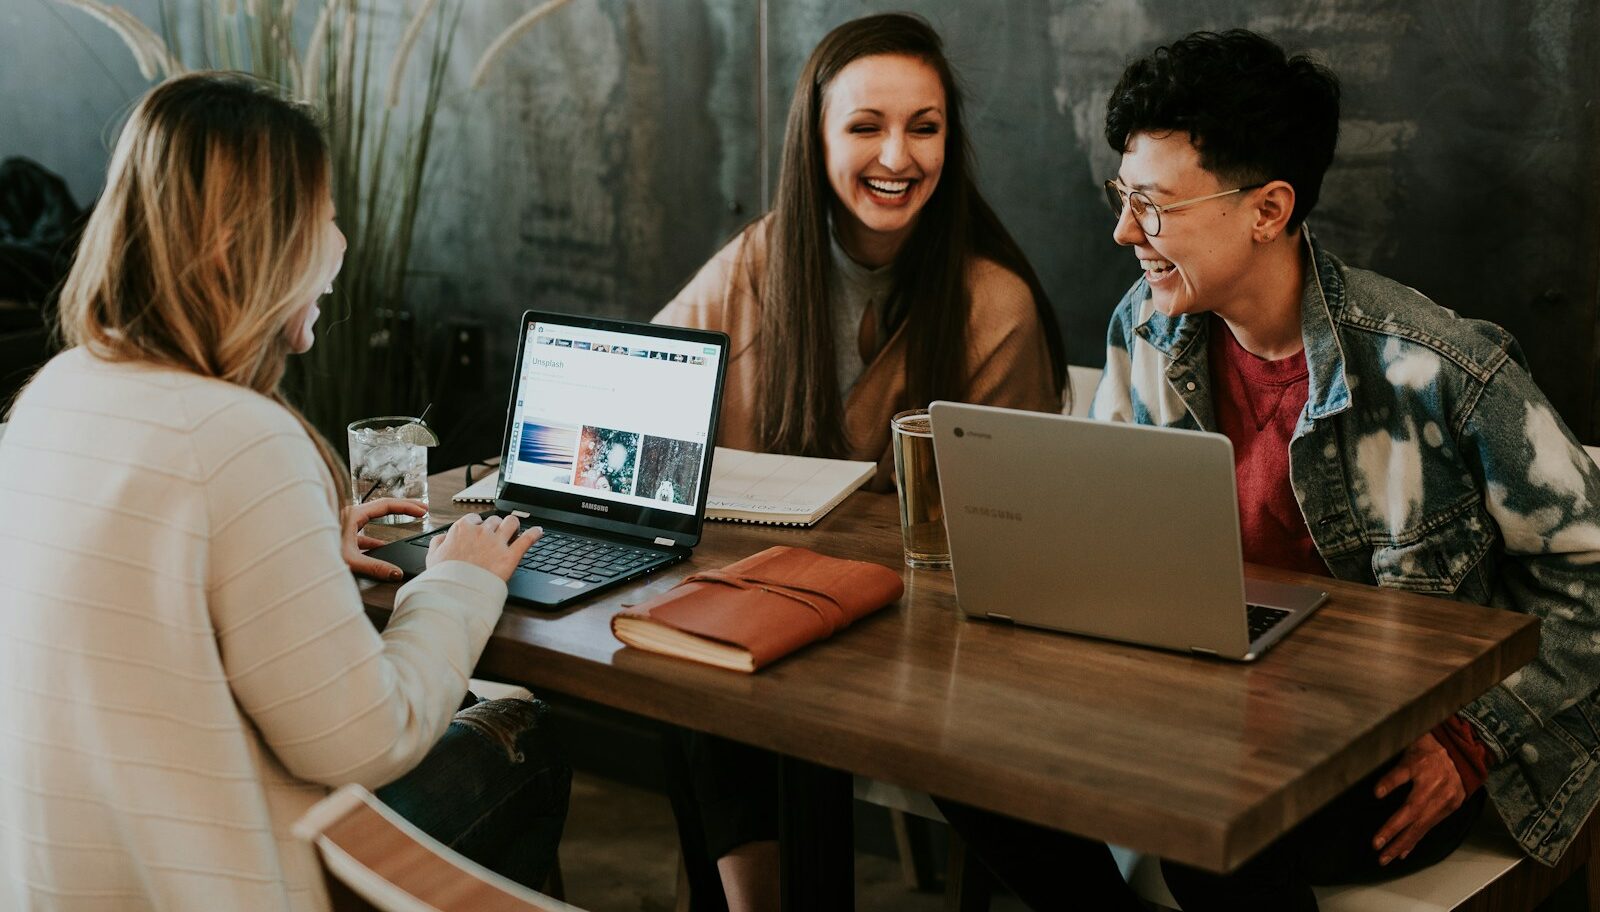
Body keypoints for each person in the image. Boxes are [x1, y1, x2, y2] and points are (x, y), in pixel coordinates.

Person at [936, 29, 1600, 911]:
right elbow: (1109, 548)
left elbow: (1587, 576)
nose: (1124, 230)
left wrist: (1473, 738)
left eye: (1155, 205)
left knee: (1214, 828)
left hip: (1387, 741)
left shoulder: (1437, 369)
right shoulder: (1146, 326)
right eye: (1122, 196)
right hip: (1205, 708)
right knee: (958, 752)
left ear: (1268, 209)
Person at [0, 72, 569, 911]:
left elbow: (133, 608)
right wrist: (461, 580)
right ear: (247, 243)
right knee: (529, 734)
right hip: (211, 885)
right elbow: (364, 742)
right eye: (324, 214)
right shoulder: (240, 437)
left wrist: (296, 546)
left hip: (66, 879)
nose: (339, 241)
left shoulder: (54, 393)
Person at [655, 13, 1067, 491]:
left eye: (924, 128)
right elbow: (638, 391)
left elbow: (1013, 511)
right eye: (865, 128)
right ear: (817, 139)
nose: (896, 158)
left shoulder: (997, 307)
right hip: (742, 565)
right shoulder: (753, 262)